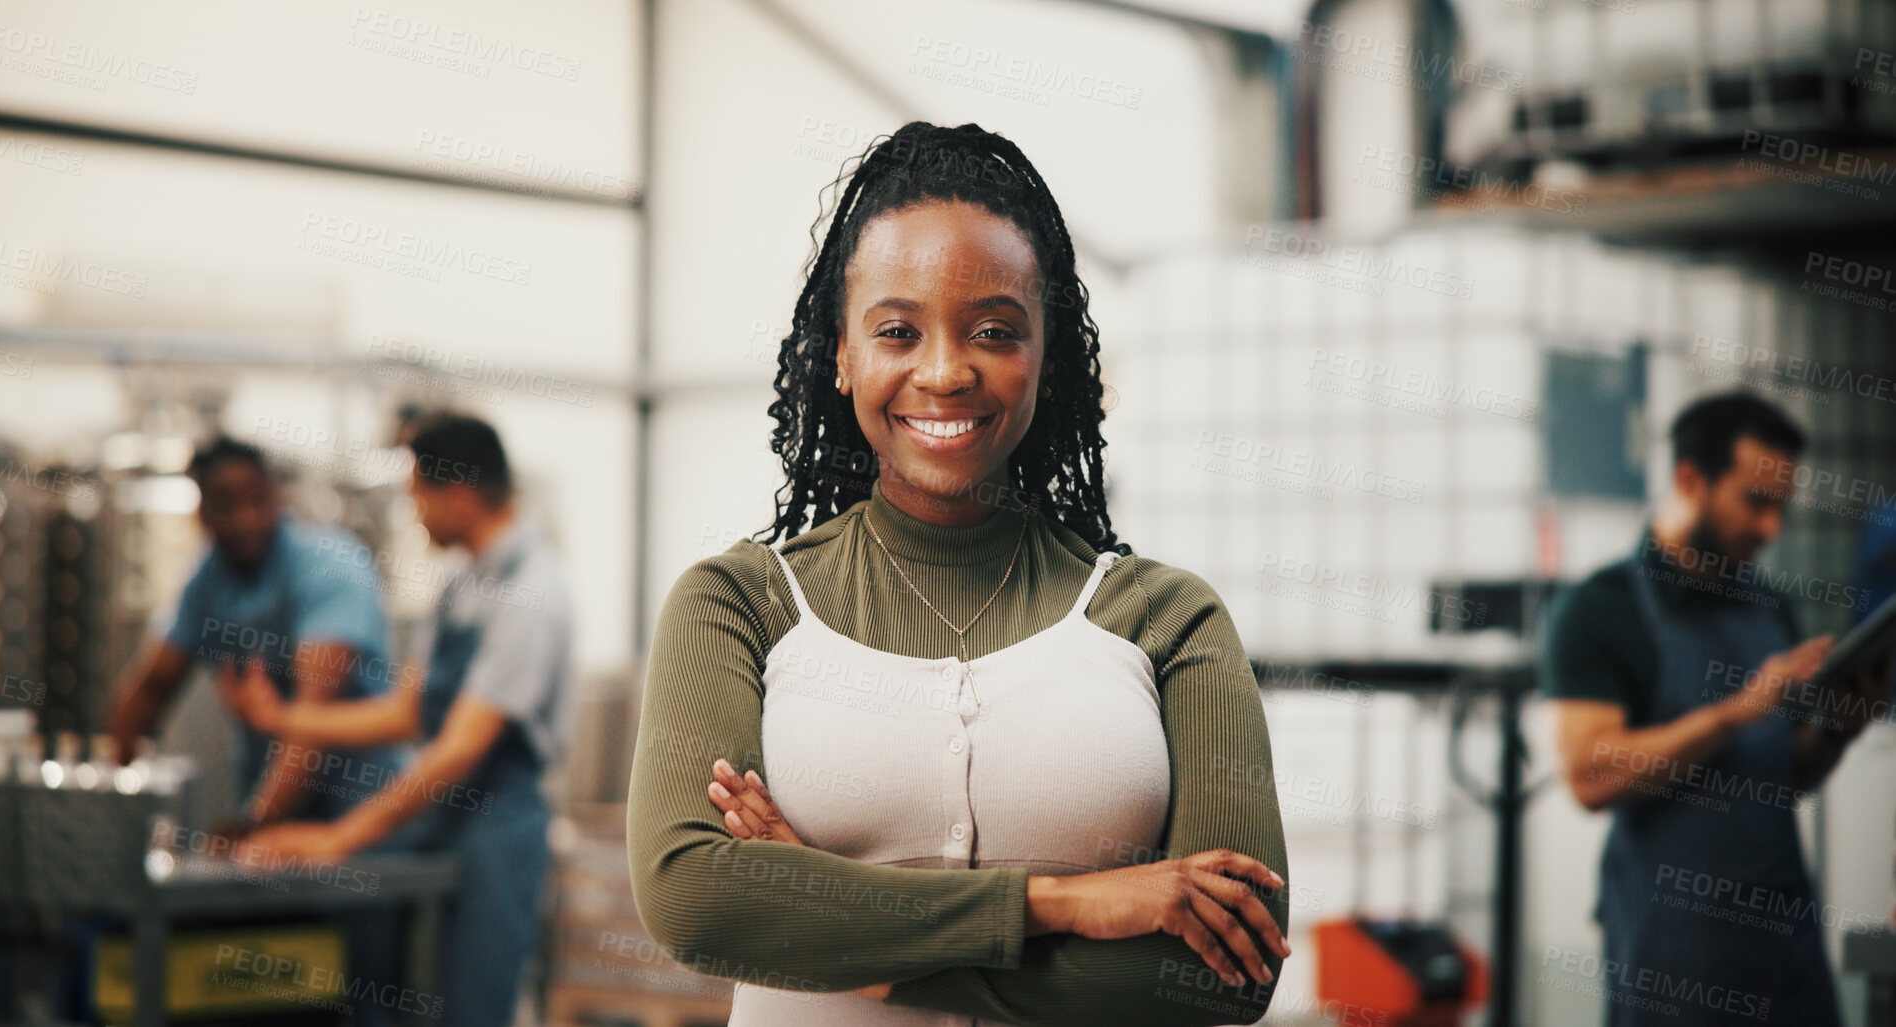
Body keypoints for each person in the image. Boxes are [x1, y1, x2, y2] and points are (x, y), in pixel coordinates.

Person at [626, 121, 1290, 1027]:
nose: (943, 371)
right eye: (897, 331)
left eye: (994, 331)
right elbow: (695, 898)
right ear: (843, 353)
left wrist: (846, 934)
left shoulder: (1167, 617)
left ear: (1047, 356)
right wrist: (1061, 901)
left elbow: (1226, 970)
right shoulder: (740, 605)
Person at [1543, 391, 1891, 1027]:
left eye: (1780, 507)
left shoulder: (1770, 606)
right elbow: (1592, 775)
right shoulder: (1601, 609)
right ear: (1689, 479)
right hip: (1672, 953)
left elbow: (1787, 774)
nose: (1771, 529)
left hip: (1782, 940)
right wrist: (1735, 713)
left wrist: (1837, 731)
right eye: (1755, 503)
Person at [221, 412, 576, 1027]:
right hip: (440, 814)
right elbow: (406, 714)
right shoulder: (459, 580)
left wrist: (338, 838)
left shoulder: (532, 593)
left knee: (472, 1007)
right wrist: (282, 716)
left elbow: (460, 748)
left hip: (498, 828)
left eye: (418, 498)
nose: (414, 516)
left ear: (457, 497)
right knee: (390, 991)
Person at [107, 435, 409, 831]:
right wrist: (111, 799)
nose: (246, 518)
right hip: (274, 809)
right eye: (227, 505)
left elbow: (312, 720)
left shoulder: (329, 567)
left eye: (258, 501)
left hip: (361, 814)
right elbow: (152, 688)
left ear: (278, 497)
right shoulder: (208, 580)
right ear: (202, 512)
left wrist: (256, 823)